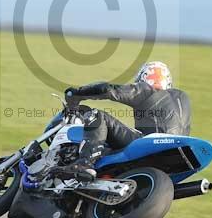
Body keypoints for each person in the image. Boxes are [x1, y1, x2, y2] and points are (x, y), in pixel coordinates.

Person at [59, 61, 191, 180]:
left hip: (149, 143)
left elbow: (108, 90)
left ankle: (84, 162)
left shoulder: (147, 90)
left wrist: (77, 93)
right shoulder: (182, 98)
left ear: (143, 79)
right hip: (178, 153)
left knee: (97, 115)